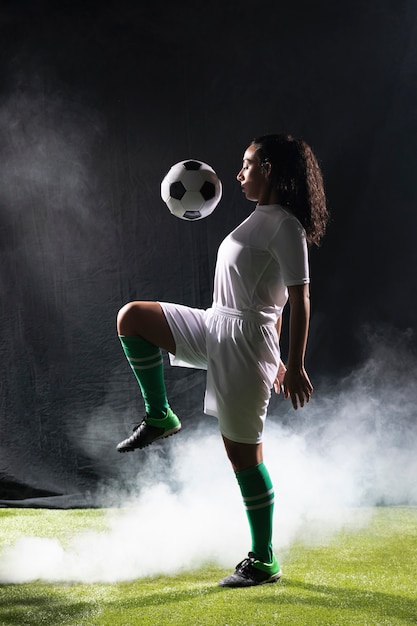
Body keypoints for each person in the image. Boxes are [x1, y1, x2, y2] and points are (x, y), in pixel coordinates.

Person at [115, 133, 329, 587]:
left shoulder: (286, 227)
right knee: (132, 317)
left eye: (247, 165)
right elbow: (269, 294)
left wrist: (292, 362)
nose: (238, 174)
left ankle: (264, 559)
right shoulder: (259, 219)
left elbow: (298, 300)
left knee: (243, 458)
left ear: (269, 169)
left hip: (247, 345)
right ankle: (160, 415)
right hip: (216, 325)